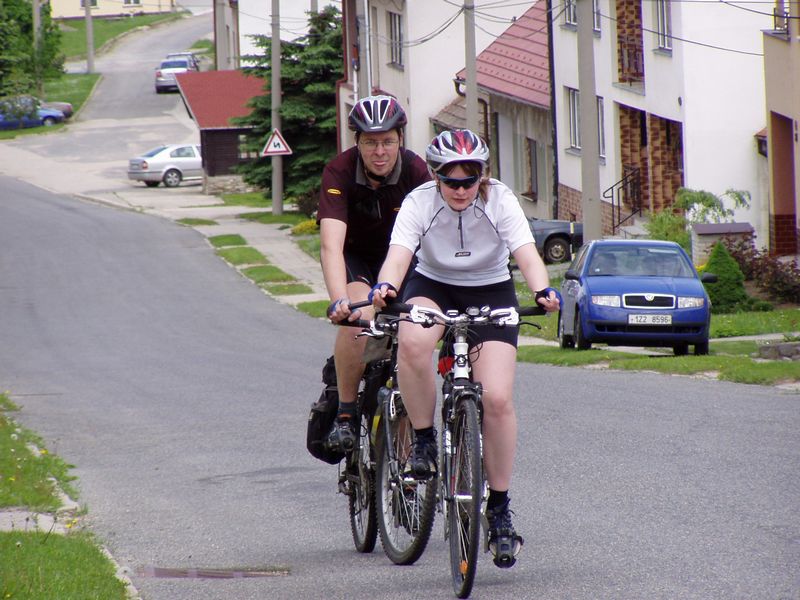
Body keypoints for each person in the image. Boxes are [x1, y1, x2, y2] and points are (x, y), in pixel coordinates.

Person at [369, 129, 561, 568]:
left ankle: (500, 508)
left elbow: (526, 253)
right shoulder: (419, 202)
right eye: (450, 181)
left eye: (469, 180)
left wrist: (543, 289)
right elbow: (398, 255)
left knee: (497, 399)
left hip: (491, 289)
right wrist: (386, 286)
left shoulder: (500, 200)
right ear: (435, 176)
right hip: (433, 285)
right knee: (412, 342)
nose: (460, 190)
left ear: (482, 176)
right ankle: (423, 441)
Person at [318, 95, 431, 453]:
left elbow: (434, 234)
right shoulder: (339, 171)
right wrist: (339, 301)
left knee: (414, 332)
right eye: (370, 142)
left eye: (387, 141)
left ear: (400, 139)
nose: (379, 151)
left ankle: (407, 447)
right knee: (358, 320)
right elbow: (331, 246)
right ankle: (346, 414)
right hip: (357, 259)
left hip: (403, 260)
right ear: (358, 142)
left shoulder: (416, 172)